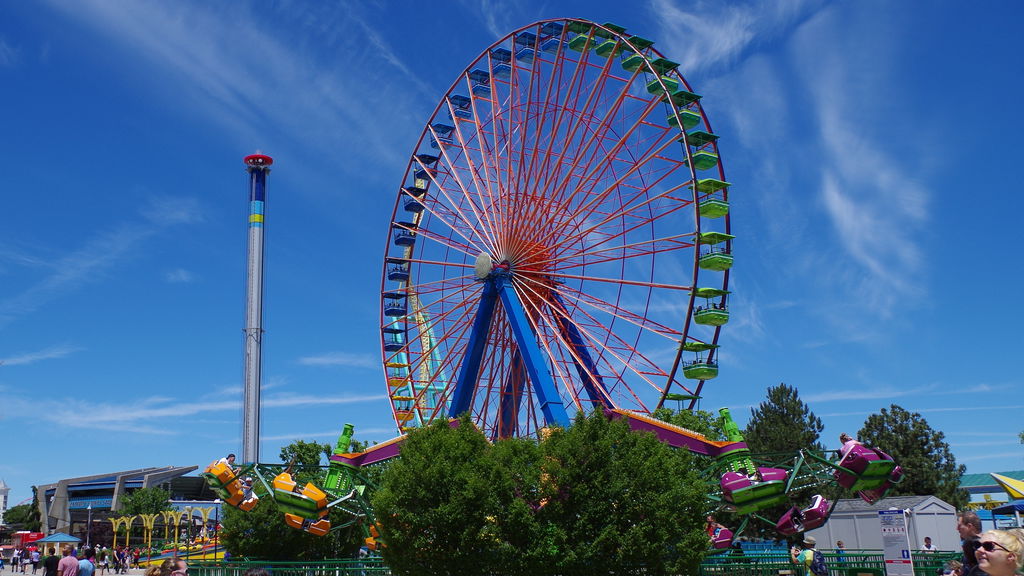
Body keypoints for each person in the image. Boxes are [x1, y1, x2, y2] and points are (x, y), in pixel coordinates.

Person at [958, 511, 986, 576]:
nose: (957, 529)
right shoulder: (970, 544)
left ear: (969, 526)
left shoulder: (978, 546)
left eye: (959, 526)